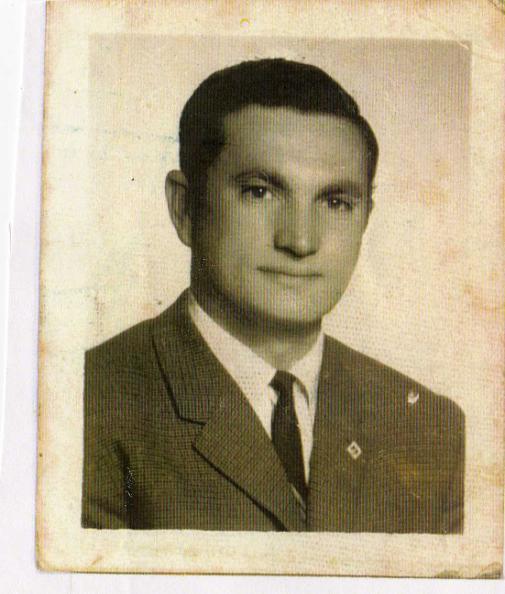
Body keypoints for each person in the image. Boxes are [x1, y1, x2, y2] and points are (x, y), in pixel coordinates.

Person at [82, 58, 465, 532]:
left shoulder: (432, 430)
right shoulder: (90, 406)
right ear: (185, 209)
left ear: (365, 218)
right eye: (259, 192)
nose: (301, 241)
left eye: (336, 202)